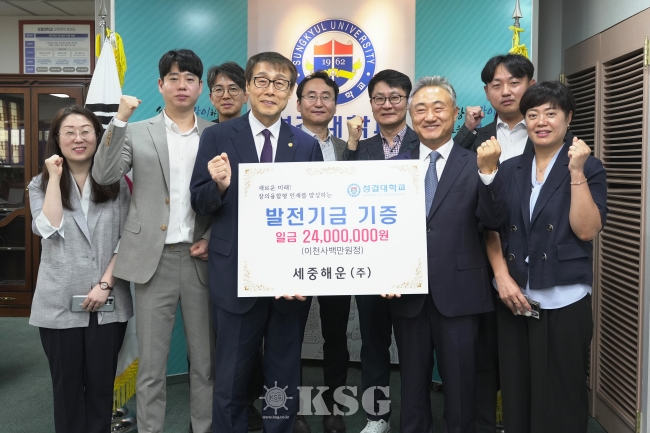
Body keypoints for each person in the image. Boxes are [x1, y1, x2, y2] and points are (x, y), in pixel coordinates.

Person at [190, 51, 323, 433]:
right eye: (261, 81)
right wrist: (217, 186)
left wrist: (304, 269)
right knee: (231, 375)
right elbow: (199, 201)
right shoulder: (217, 136)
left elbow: (316, 213)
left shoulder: (306, 144)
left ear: (290, 93)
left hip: (288, 282)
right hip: (235, 276)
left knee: (283, 376)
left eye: (280, 83)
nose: (270, 90)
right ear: (248, 87)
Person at [92, 49, 214, 433]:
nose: (182, 85)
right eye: (173, 78)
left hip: (201, 260)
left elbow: (230, 196)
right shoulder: (137, 130)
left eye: (190, 78)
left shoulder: (216, 134)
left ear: (200, 87)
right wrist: (119, 120)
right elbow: (104, 174)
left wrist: (210, 236)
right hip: (152, 261)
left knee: (205, 363)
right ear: (161, 85)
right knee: (151, 366)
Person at [386, 76, 506, 433]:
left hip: (461, 295)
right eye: (420, 109)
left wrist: (489, 175)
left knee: (461, 389)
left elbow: (495, 221)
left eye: (438, 108)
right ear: (411, 117)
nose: (429, 116)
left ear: (455, 114)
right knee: (411, 388)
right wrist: (384, 273)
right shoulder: (394, 168)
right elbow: (380, 232)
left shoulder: (478, 162)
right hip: (407, 295)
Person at [493, 81, 607, 433]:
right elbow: (491, 227)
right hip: (515, 298)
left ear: (568, 118)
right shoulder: (509, 168)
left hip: (565, 298)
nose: (541, 121)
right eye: (533, 114)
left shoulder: (588, 167)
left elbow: (586, 230)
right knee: (517, 393)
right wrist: (502, 277)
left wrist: (576, 172)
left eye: (551, 113)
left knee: (563, 395)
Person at [28, 105, 132, 433]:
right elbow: (48, 228)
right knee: (67, 389)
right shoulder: (39, 184)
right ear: (56, 139)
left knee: (101, 388)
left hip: (107, 300)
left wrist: (105, 285)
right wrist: (55, 178)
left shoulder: (117, 183)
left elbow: (128, 237)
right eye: (69, 132)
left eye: (86, 131)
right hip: (58, 301)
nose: (78, 138)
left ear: (98, 137)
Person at [453, 53, 536, 433]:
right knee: (483, 355)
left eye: (514, 82)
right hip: (482, 261)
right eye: (496, 85)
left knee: (530, 358)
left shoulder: (548, 134)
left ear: (530, 85)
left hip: (537, 263)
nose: (506, 91)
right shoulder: (475, 139)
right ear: (486, 92)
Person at [342, 69, 419, 433]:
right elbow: (340, 192)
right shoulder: (361, 147)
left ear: (408, 101)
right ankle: (377, 417)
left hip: (413, 262)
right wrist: (351, 145)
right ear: (371, 103)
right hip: (369, 262)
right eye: (379, 99)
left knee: (414, 346)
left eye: (395, 97)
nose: (387, 105)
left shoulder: (425, 143)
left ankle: (416, 416)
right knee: (373, 344)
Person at [206, 60, 264, 431]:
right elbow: (196, 197)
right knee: (226, 354)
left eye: (233, 89)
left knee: (270, 355)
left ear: (246, 94)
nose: (226, 95)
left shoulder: (287, 139)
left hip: (276, 266)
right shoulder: (209, 136)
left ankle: (262, 410)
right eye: (218, 89)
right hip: (227, 263)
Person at [295, 70, 349, 433]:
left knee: (336, 336)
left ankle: (334, 408)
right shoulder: (283, 145)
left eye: (326, 96)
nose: (318, 102)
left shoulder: (348, 149)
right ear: (298, 104)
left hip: (338, 256)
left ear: (335, 104)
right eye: (310, 96)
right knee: (289, 336)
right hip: (294, 256)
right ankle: (294, 410)